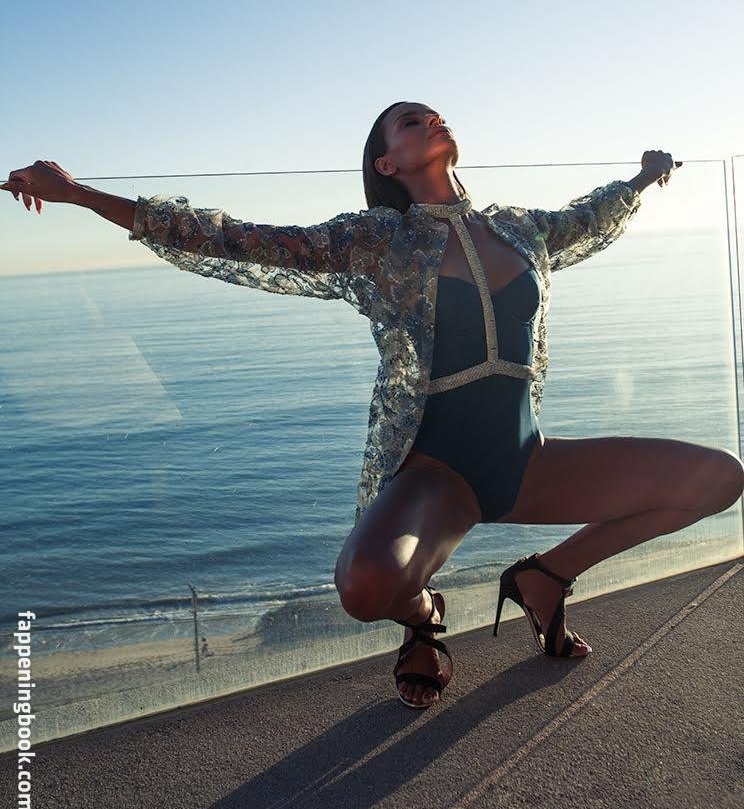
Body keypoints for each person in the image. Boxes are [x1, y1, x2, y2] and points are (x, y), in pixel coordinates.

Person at [3, 104, 741, 712]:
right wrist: (82, 194)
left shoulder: (520, 229)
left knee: (720, 478)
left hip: (525, 460)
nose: (430, 119)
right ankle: (424, 618)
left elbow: (591, 214)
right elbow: (234, 239)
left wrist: (643, 177)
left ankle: (546, 577)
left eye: (433, 114)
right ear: (386, 165)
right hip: (438, 471)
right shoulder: (375, 241)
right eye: (409, 121)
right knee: (364, 588)